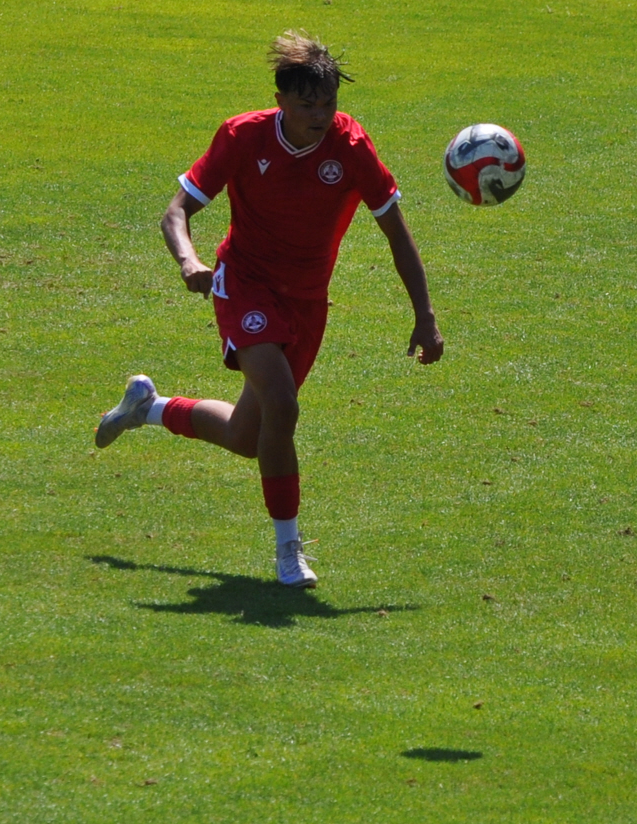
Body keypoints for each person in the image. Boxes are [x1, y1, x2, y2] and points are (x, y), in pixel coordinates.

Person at [96, 31, 443, 588]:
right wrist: (189, 262)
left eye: (328, 103)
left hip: (307, 300)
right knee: (281, 404)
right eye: (307, 105)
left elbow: (396, 233)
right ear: (280, 100)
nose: (320, 116)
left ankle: (149, 407)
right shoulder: (243, 136)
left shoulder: (352, 146)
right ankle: (289, 552)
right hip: (245, 284)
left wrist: (424, 316)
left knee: (246, 435)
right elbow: (175, 212)